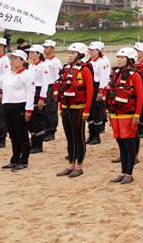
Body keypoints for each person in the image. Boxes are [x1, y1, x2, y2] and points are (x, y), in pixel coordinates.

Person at [106, 48, 143, 184]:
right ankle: (123, 173)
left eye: (122, 57)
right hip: (116, 115)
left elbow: (140, 96)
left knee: (129, 145)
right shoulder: (115, 73)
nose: (118, 60)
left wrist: (137, 115)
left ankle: (129, 174)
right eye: (118, 57)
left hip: (128, 115)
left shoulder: (135, 75)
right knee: (121, 145)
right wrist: (108, 111)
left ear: (130, 59)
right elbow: (110, 92)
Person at [54, 43, 93, 177]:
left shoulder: (85, 69)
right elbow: (62, 90)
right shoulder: (66, 69)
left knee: (79, 137)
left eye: (72, 53)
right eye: (69, 53)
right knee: (69, 138)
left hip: (79, 109)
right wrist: (60, 108)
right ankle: (70, 164)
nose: (69, 55)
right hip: (66, 107)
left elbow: (90, 90)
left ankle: (79, 166)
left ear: (80, 54)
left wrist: (87, 110)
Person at [27, 45, 50, 154]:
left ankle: (38, 144)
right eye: (30, 53)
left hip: (38, 91)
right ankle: (33, 141)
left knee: (38, 119)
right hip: (31, 92)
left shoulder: (43, 65)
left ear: (39, 54)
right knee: (31, 119)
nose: (30, 54)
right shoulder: (31, 66)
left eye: (33, 53)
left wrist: (42, 98)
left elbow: (45, 82)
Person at [86, 41, 111, 145]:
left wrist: (101, 91)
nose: (90, 52)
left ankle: (97, 135)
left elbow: (103, 77)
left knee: (96, 112)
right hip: (90, 87)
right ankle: (91, 134)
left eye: (93, 50)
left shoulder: (101, 62)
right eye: (90, 50)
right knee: (90, 112)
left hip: (97, 87)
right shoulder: (89, 61)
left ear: (98, 51)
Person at [42, 39, 61, 141]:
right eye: (44, 47)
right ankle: (46, 130)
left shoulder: (55, 61)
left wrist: (56, 91)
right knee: (44, 110)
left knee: (51, 110)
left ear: (52, 48)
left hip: (51, 87)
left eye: (47, 47)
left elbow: (58, 78)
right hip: (44, 87)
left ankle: (52, 131)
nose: (45, 49)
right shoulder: (43, 61)